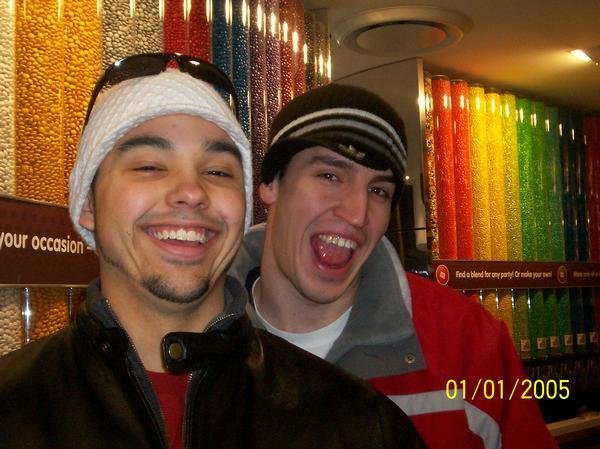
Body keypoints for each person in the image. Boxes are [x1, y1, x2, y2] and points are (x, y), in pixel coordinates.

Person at [0, 54, 428, 449]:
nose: (191, 191)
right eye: (149, 166)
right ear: (88, 205)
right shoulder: (14, 409)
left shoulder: (360, 425)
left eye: (218, 171)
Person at [230, 83, 559, 449]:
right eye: (330, 176)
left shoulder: (469, 342)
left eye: (378, 191)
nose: (357, 214)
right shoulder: (199, 337)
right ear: (271, 183)